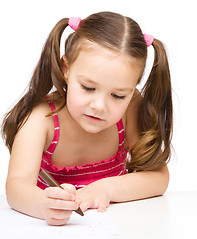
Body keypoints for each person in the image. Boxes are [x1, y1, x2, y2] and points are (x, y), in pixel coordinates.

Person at [1, 11, 173, 226]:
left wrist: (107, 189)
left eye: (118, 95)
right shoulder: (41, 119)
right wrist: (42, 205)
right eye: (88, 87)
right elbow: (16, 187)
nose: (99, 106)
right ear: (66, 69)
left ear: (132, 89)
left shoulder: (130, 109)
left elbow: (158, 177)